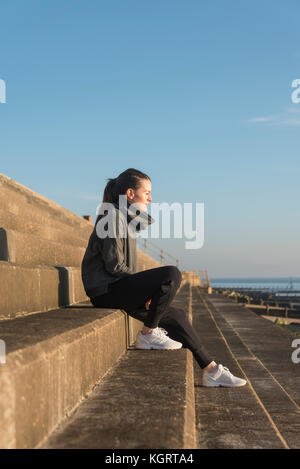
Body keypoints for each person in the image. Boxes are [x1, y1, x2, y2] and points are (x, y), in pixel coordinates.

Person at [81, 168, 247, 387]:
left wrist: (144, 291)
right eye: (147, 192)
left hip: (117, 287)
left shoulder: (124, 219)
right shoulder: (112, 218)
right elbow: (114, 266)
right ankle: (148, 333)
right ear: (130, 194)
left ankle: (212, 370)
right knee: (171, 274)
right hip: (106, 291)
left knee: (177, 315)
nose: (151, 198)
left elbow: (124, 265)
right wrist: (146, 290)